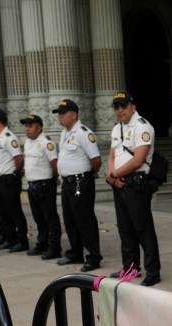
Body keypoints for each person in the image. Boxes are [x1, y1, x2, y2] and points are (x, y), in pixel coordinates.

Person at [105, 91, 161, 286]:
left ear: (132, 106)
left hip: (136, 183)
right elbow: (111, 155)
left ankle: (153, 271)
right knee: (125, 229)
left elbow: (138, 159)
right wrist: (113, 177)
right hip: (119, 183)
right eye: (116, 106)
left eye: (123, 106)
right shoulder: (116, 128)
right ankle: (130, 268)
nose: (119, 110)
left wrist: (114, 174)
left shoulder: (142, 127)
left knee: (143, 229)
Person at [53, 98, 103, 272]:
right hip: (68, 182)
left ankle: (93, 257)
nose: (60, 117)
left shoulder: (83, 132)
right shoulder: (65, 132)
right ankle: (75, 253)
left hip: (81, 181)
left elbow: (96, 159)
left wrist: (90, 173)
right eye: (58, 114)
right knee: (70, 219)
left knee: (84, 219)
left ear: (73, 115)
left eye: (63, 113)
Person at [20, 114, 62, 260]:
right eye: (26, 126)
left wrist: (54, 178)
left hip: (45, 185)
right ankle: (42, 244)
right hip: (32, 186)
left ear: (39, 127)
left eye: (30, 126)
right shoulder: (27, 143)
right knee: (39, 218)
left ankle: (54, 247)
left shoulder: (46, 143)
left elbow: (54, 164)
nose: (27, 129)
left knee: (50, 218)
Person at [0, 107, 28, 252]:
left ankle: (22, 241)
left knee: (14, 211)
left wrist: (15, 174)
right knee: (3, 212)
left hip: (8, 180)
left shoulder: (9, 137)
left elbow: (18, 158)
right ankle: (8, 238)